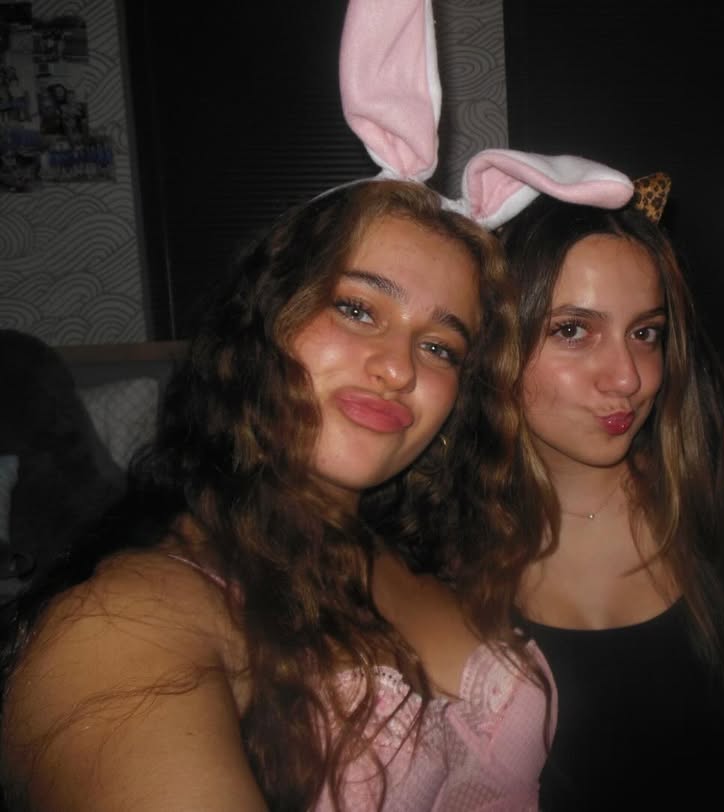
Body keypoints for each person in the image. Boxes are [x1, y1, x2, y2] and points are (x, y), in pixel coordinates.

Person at [0, 179, 554, 811]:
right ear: (263, 318)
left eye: (439, 347)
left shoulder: (429, 548)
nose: (400, 368)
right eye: (357, 309)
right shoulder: (120, 624)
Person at [498, 179, 724, 810]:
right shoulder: (433, 548)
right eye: (573, 330)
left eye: (646, 333)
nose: (628, 378)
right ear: (498, 340)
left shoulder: (720, 510)